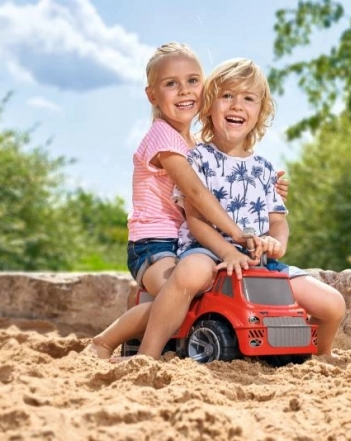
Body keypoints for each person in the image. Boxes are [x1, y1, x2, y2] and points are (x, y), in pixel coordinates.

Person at [83, 43, 287, 359]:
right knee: (176, 295)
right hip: (153, 244)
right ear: (152, 95)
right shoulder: (163, 138)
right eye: (171, 84)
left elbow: (221, 181)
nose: (184, 91)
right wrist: (236, 234)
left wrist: (264, 186)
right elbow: (196, 193)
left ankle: (146, 322)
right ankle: (106, 342)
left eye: (192, 80)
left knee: (188, 294)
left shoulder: (191, 143)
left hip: (179, 240)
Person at [136, 57, 346, 359]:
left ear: (260, 112)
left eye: (248, 98)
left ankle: (321, 356)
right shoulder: (196, 159)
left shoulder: (264, 168)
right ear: (208, 105)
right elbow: (196, 220)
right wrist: (228, 251)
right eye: (227, 96)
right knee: (190, 274)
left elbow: (278, 221)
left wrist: (277, 243)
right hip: (206, 250)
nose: (237, 105)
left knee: (333, 304)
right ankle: (148, 355)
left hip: (257, 261)